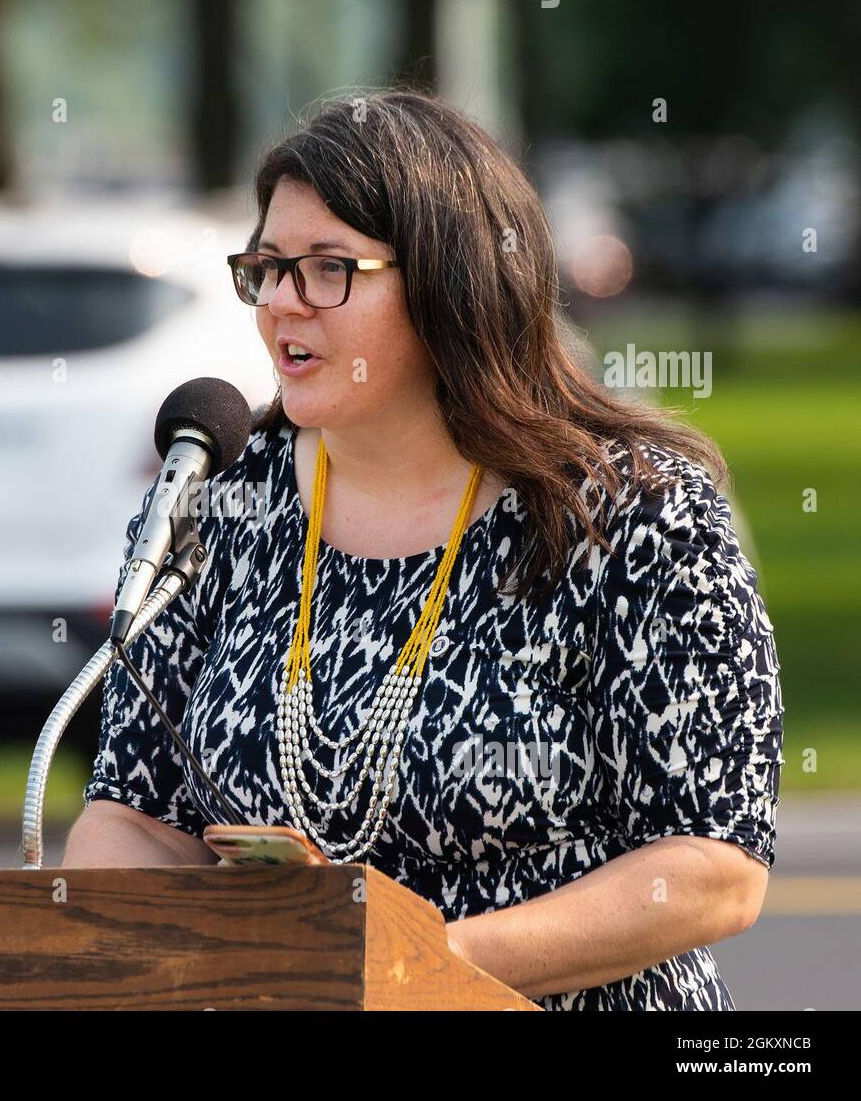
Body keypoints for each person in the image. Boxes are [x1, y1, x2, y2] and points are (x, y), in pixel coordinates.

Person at [61, 88, 783, 1011]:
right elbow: (128, 814)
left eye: (329, 268)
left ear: (450, 282)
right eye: (268, 268)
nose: (283, 302)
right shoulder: (220, 503)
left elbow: (713, 865)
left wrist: (410, 967)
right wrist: (221, 959)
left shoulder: (637, 516)